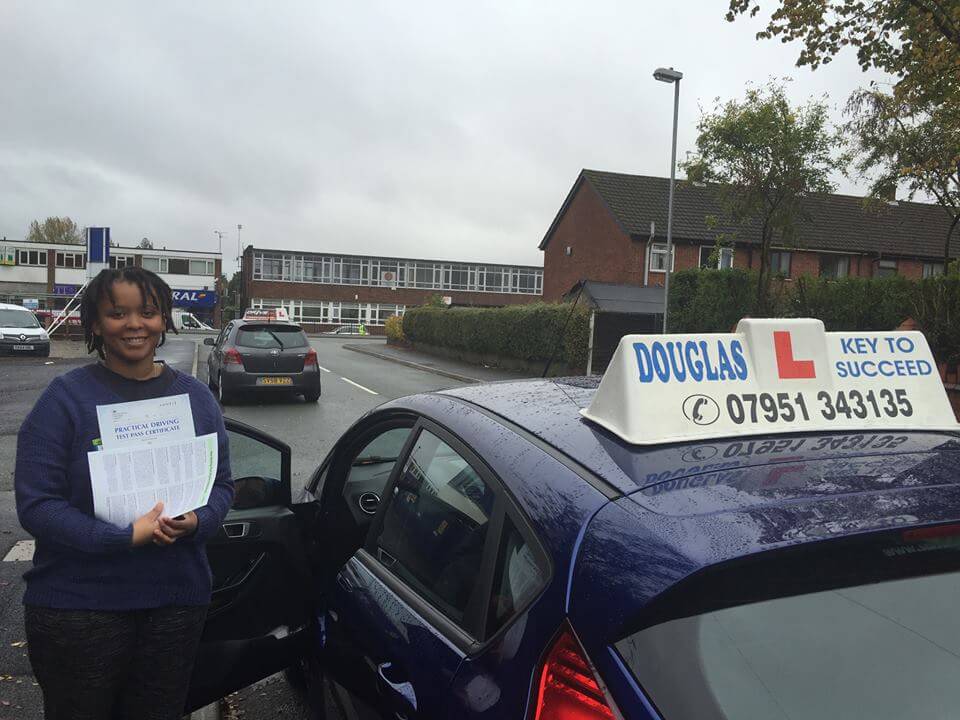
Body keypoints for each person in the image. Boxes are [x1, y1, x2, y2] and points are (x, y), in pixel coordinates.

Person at [14, 267, 234, 720]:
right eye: (118, 313)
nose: (135, 324)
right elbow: (38, 505)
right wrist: (122, 537)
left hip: (175, 605)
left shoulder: (196, 399)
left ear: (164, 320)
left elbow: (222, 485)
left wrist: (198, 521)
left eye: (148, 312)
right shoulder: (64, 400)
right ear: (95, 323)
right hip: (81, 611)